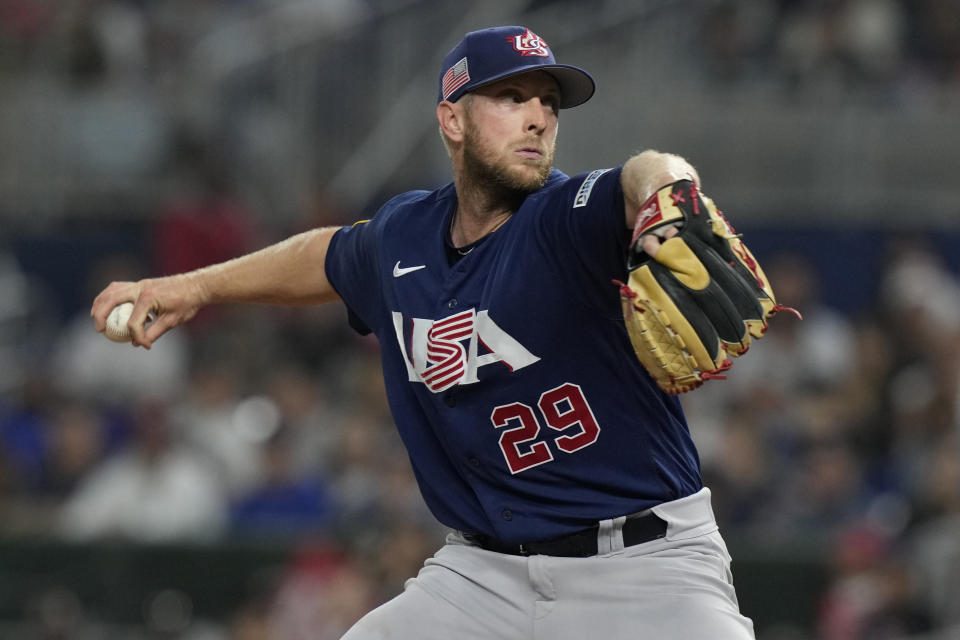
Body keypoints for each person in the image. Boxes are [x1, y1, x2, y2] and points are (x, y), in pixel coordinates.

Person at [92, 25, 756, 639]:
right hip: (482, 577)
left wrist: (668, 208)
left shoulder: (565, 218)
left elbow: (649, 169)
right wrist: (194, 286)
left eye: (549, 102)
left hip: (644, 565)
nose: (538, 116)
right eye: (510, 96)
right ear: (452, 119)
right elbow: (326, 255)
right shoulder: (404, 234)